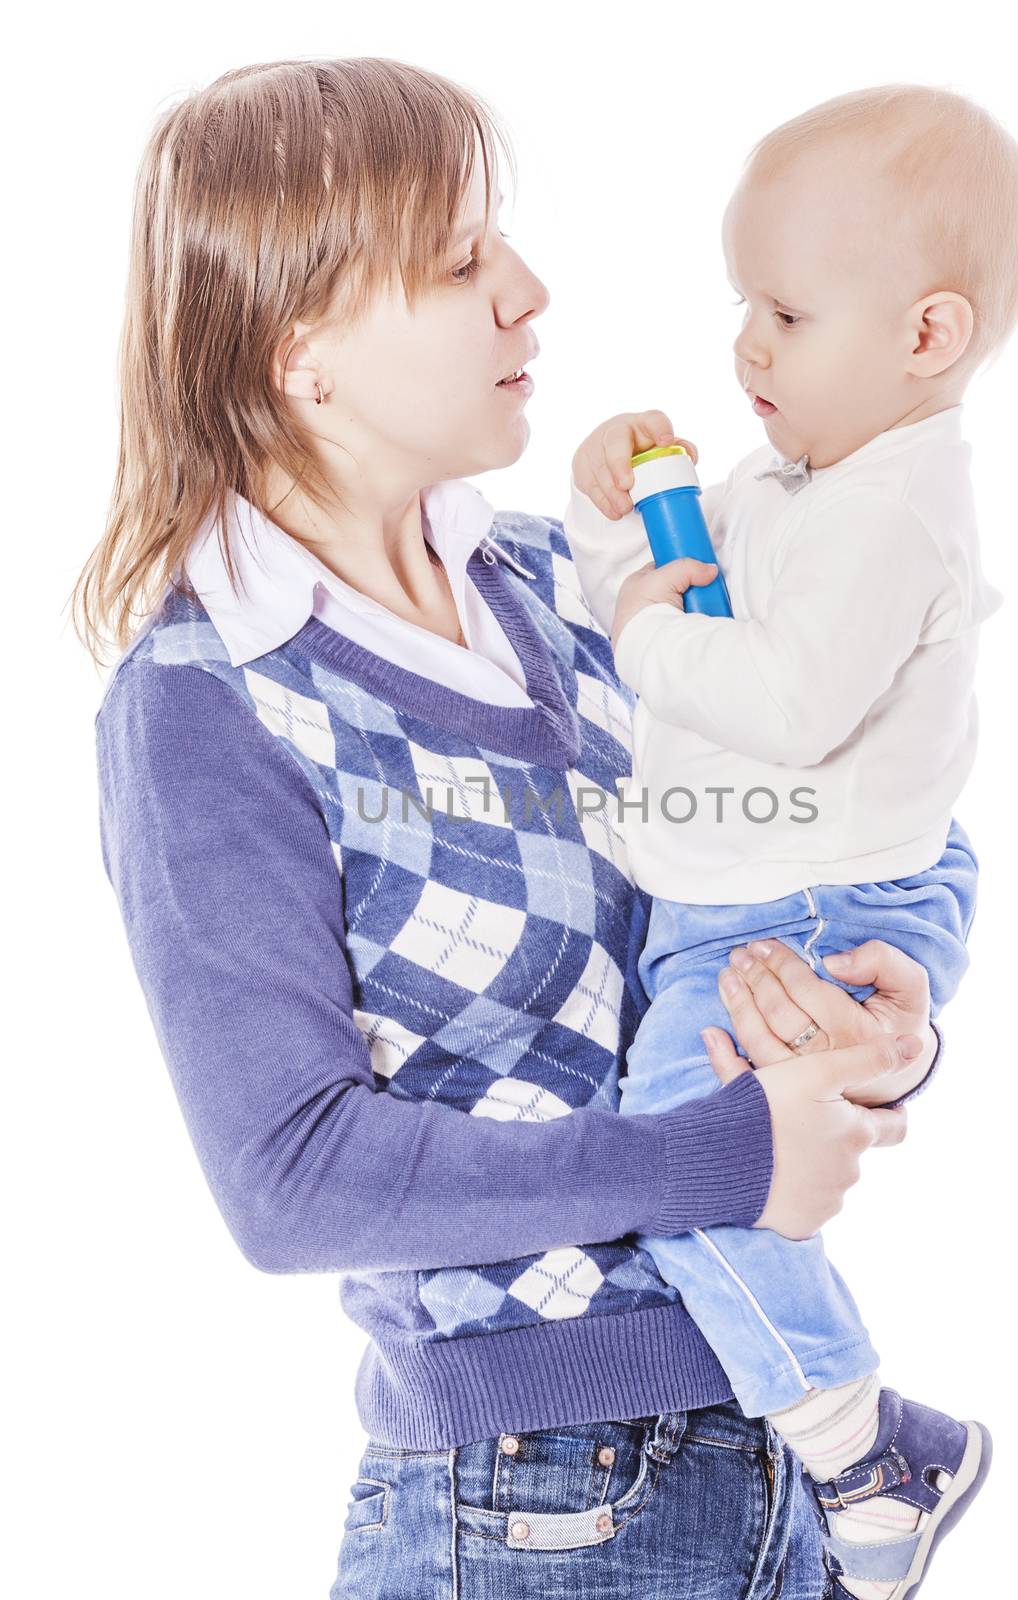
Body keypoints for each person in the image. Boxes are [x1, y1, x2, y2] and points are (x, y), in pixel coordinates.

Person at [73, 57, 939, 1598]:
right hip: (534, 1507)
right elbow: (293, 1182)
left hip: (781, 1452)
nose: (529, 293)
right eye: (463, 261)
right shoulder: (209, 703)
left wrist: (887, 1015)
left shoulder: (570, 591)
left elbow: (838, 821)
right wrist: (724, 1158)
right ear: (304, 354)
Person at [563, 85, 1018, 1599]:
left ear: (927, 336)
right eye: (741, 307)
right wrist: (613, 531)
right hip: (752, 884)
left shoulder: (891, 514)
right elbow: (675, 606)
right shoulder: (801, 482)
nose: (744, 349)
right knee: (685, 1164)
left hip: (807, 902)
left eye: (784, 312)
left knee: (696, 1172)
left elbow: (772, 698)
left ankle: (861, 1441)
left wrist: (642, 622)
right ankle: (858, 1430)